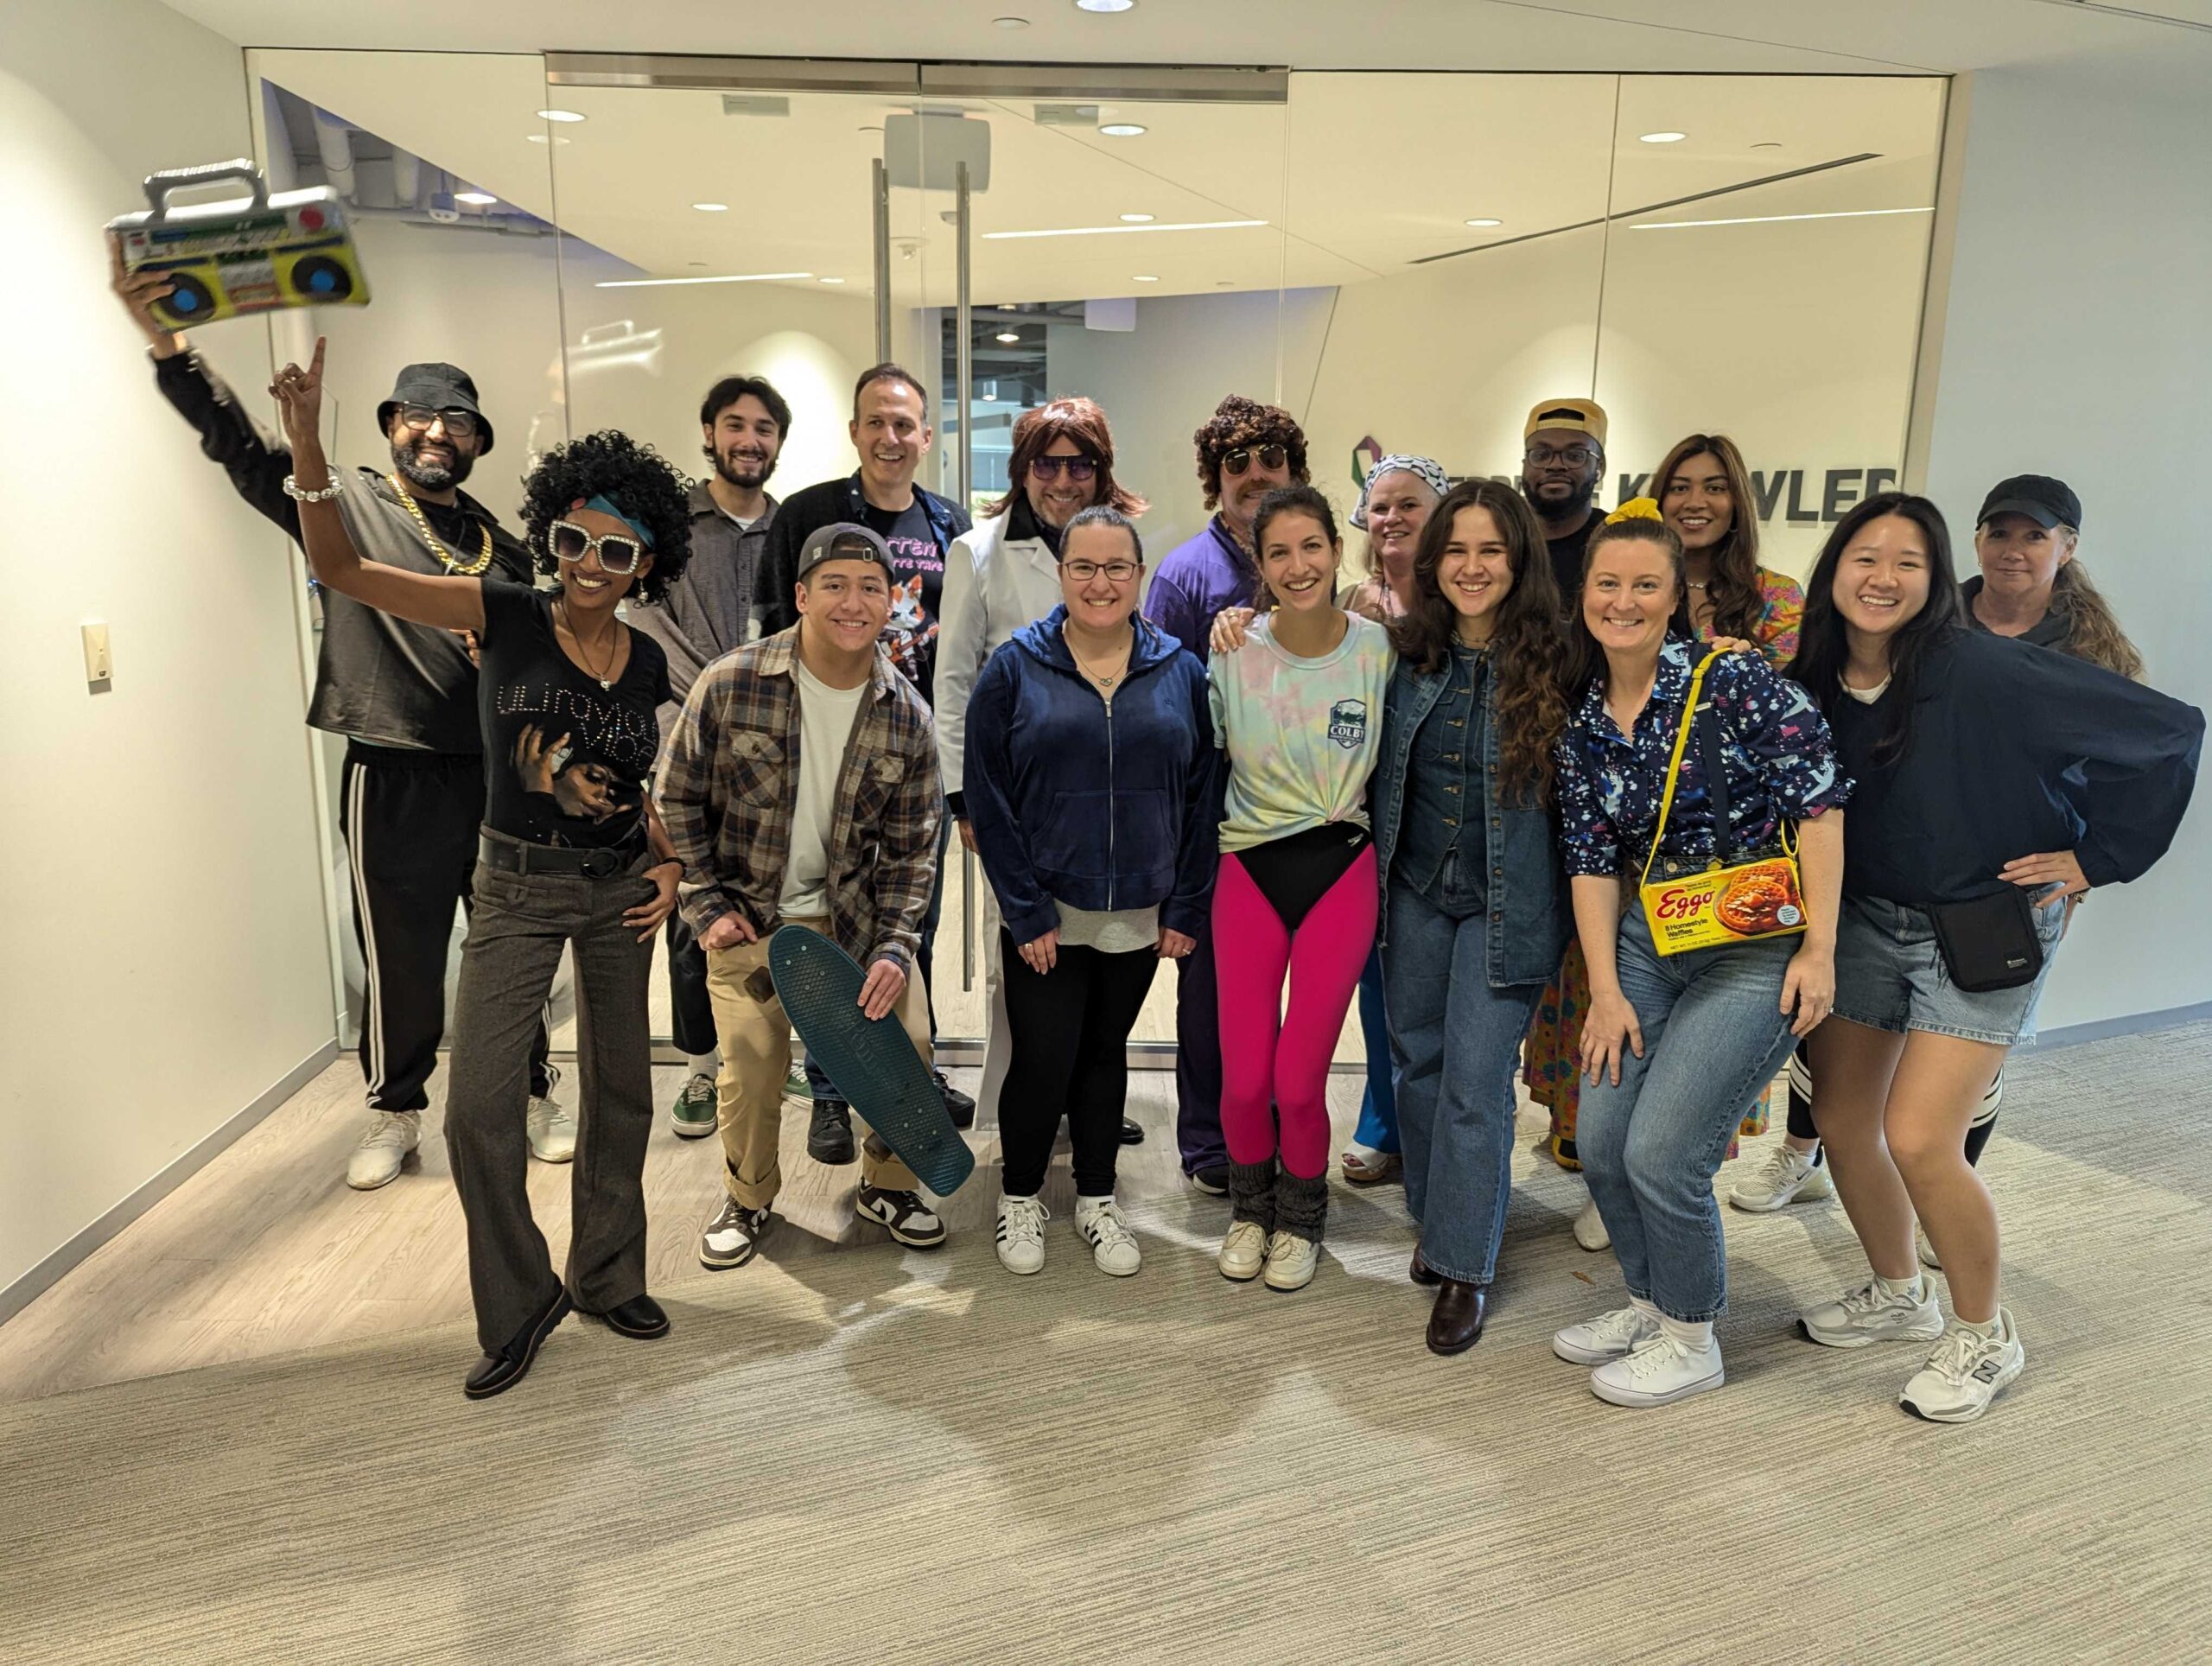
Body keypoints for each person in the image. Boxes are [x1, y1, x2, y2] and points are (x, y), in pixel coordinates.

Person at [268, 341, 690, 1400]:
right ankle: (519, 1297)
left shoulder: (644, 659)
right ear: (550, 538)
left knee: (623, 1094)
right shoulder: (499, 611)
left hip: (617, 891)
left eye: (615, 550)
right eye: (572, 540)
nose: (589, 562)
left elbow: (630, 779)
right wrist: (308, 446)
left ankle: (608, 1274)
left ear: (645, 565)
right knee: (476, 1111)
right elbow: (345, 572)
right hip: (515, 888)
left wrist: (671, 863)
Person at [111, 242, 568, 1191]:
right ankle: (395, 1109)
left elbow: (545, 663)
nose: (436, 432)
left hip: (496, 778)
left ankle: (530, 1091)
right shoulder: (343, 500)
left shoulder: (505, 546)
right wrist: (168, 344)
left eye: (457, 420)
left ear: (478, 442)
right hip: (390, 769)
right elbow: (240, 451)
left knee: (508, 949)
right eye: (419, 415)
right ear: (392, 424)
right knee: (399, 953)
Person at [1787, 493, 2199, 1423]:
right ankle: (1899, 1291)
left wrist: (2098, 857)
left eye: (1907, 562)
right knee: (1842, 1120)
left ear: (1936, 579)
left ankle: (1984, 1333)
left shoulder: (1981, 666)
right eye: (1864, 557)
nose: (1882, 578)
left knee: (1920, 1137)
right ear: (1834, 569)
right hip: (1864, 919)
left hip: (1981, 923)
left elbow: (2170, 730)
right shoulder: (1812, 673)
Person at [1738, 474, 2146, 1230]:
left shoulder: (2075, 651)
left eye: (2034, 536)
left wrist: (2095, 859)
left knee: (1935, 1117)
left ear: (2067, 547)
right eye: (2000, 532)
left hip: (1994, 898)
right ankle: (1817, 1167)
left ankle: (1946, 1215)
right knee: (1844, 1088)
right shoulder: (1921, 628)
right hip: (1875, 896)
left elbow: (2144, 742)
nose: (2013, 550)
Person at [1548, 510, 1848, 1408]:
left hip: (1753, 948)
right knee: (1602, 1142)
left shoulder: (1733, 680)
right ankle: (1649, 1301)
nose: (1624, 601)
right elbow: (1590, 862)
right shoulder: (1585, 720)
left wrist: (1820, 948)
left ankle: (1691, 1336)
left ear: (1676, 597)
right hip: (1648, 941)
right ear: (1583, 594)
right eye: (1608, 584)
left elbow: (1820, 805)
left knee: (1663, 1151)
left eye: (1646, 585)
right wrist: (1605, 990)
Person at [665, 523, 950, 1270]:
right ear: (800, 595)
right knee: (753, 1063)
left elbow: (914, 853)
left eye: (870, 588)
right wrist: (706, 904)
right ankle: (749, 1196)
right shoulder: (731, 682)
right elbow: (675, 795)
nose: (853, 603)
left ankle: (888, 1187)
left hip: (854, 926)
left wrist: (895, 949)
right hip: (750, 919)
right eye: (835, 585)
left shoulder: (907, 716)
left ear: (892, 603)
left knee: (911, 1044)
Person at [963, 507, 1218, 1278]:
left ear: (1138, 577)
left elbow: (1203, 796)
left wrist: (1185, 904)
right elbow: (988, 799)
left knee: (1107, 1055)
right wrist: (1024, 909)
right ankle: (1020, 1194)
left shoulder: (1181, 672)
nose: (1100, 583)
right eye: (1084, 567)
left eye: (1116, 568)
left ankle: (1098, 1198)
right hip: (1047, 908)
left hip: (1138, 908)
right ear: (1062, 574)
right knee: (1043, 1059)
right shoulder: (1013, 668)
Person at [753, 364, 976, 1157]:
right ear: (854, 431)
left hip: (915, 756)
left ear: (925, 437)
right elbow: (773, 625)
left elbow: (965, 641)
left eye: (904, 424)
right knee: (825, 927)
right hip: (824, 752)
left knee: (910, 923)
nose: (890, 437)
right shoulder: (808, 514)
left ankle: (912, 1071)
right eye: (875, 422)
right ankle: (829, 1089)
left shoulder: (949, 524)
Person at [1372, 481, 1571, 1354]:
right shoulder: (1404, 654)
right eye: (1455, 549)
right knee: (1417, 1062)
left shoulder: (1564, 663)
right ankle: (1438, 1216)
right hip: (1416, 890)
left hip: (1511, 901)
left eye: (1490, 549)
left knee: (1475, 1083)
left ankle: (1464, 1264)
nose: (1472, 566)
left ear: (1519, 560)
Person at [936, 397, 1149, 1147]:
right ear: (1022, 470)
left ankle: (1087, 1103)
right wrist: (963, 797)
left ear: (1101, 471)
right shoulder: (977, 552)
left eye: (1079, 465)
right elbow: (953, 682)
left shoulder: (1124, 548)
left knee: (1104, 954)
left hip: (1104, 794)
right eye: (1047, 464)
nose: (1062, 480)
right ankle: (1025, 1108)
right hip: (1016, 795)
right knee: (1028, 957)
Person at [1208, 485, 1394, 1293]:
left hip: (1340, 871)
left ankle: (1303, 1218)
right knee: (1246, 1080)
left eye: (1311, 546)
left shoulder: (1378, 652)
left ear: (1336, 550)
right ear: (1259, 562)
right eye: (1278, 552)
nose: (1298, 566)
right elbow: (1206, 757)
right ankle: (1251, 1211)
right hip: (1248, 867)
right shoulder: (1232, 649)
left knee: (1297, 1077)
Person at [1147, 395, 1310, 1197]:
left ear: (1294, 471)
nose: (1254, 475)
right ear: (1215, 478)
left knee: (1287, 983)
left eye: (1270, 460)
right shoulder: (1185, 574)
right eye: (1236, 463)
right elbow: (1160, 701)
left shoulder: (1308, 568)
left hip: (1301, 810)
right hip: (1215, 812)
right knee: (1213, 986)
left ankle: (1272, 1122)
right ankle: (1212, 1141)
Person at [627, 373, 790, 1138]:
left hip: (776, 753)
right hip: (686, 746)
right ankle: (700, 1066)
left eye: (763, 429)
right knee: (696, 910)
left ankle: (771, 1055)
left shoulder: (790, 530)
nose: (749, 440)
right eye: (735, 425)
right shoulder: (671, 530)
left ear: (778, 443)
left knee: (780, 907)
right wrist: (689, 727)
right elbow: (646, 633)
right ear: (709, 433)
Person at [1338, 454, 1450, 1187]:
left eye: (1409, 504)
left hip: (1440, 817)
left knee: (1438, 992)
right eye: (1380, 506)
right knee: (1377, 981)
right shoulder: (1350, 602)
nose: (1392, 518)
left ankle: (1440, 1133)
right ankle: (1383, 1120)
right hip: (1364, 817)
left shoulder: (1458, 604)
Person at [1520, 397, 1611, 601]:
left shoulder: (1619, 540)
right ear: (1525, 463)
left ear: (1600, 467)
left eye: (1575, 455)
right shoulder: (1503, 539)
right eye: (1541, 454)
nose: (1555, 465)